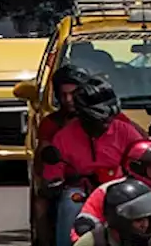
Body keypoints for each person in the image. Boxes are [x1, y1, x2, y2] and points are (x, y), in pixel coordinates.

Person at [43, 77, 148, 246]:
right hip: (82, 192)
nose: (107, 124)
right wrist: (55, 183)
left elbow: (144, 158)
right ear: (83, 115)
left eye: (109, 118)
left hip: (122, 191)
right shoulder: (63, 138)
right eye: (100, 119)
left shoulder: (124, 130)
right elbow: (52, 175)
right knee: (69, 204)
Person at [34, 65, 92, 246]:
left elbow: (138, 143)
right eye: (63, 94)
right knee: (42, 206)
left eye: (73, 94)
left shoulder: (113, 120)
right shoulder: (52, 124)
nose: (68, 100)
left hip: (107, 182)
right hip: (69, 184)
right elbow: (43, 158)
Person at [72, 180, 151, 246]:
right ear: (119, 220)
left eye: (148, 218)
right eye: (138, 220)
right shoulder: (93, 242)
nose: (145, 225)